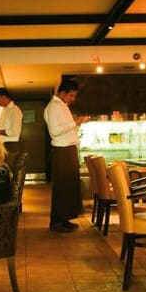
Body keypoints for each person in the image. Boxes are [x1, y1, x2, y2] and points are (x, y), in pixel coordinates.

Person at [44, 79, 87, 233]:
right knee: (63, 186)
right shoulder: (54, 106)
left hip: (67, 149)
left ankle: (64, 219)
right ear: (62, 93)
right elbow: (55, 131)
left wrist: (75, 124)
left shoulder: (61, 106)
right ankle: (58, 221)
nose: (72, 99)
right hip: (62, 150)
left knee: (68, 186)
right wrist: (75, 122)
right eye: (71, 95)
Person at [0, 87, 23, 153]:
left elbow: (14, 132)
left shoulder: (15, 110)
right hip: (4, 144)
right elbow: (4, 126)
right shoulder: (5, 109)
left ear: (4, 97)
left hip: (10, 145)